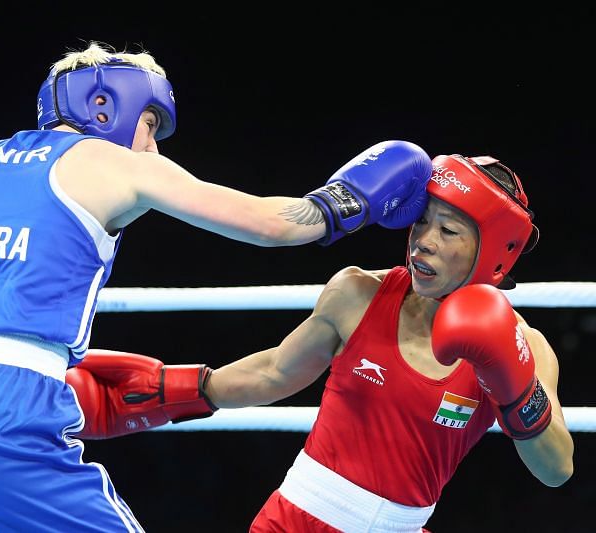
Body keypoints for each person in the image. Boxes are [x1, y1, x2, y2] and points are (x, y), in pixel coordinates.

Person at [0, 40, 433, 532]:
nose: (152, 144)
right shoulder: (116, 163)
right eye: (150, 124)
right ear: (106, 107)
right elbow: (277, 225)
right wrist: (349, 199)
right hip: (3, 410)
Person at [66, 153, 574, 532]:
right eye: (421, 222)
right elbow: (275, 372)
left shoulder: (525, 347)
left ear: (491, 253)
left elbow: (557, 470)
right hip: (296, 519)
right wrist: (167, 391)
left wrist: (513, 388)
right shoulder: (358, 293)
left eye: (448, 230)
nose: (423, 241)